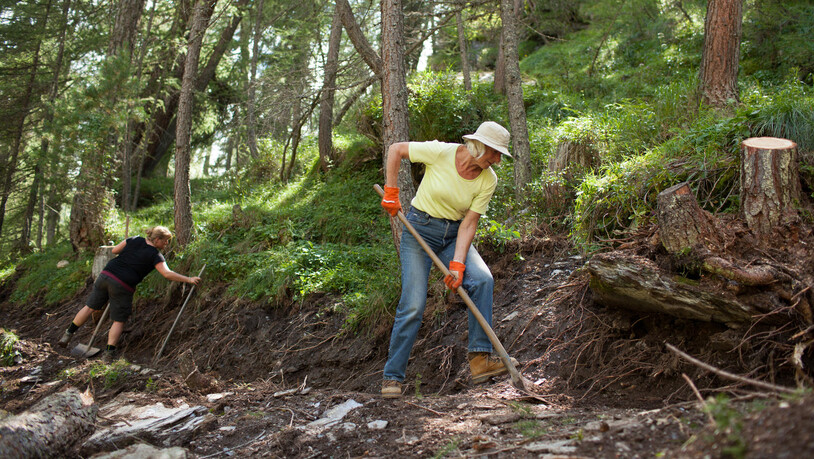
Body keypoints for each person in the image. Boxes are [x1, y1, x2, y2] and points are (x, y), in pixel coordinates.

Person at [379, 121, 518, 399]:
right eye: (494, 153)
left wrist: (457, 264)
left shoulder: (488, 179)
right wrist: (392, 191)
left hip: (454, 233)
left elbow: (469, 223)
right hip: (420, 229)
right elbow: (395, 150)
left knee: (482, 280)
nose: (498, 160)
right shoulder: (442, 153)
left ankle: (480, 360)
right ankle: (392, 378)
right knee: (414, 304)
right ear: (479, 146)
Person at [57, 226, 201, 362]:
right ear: (157, 240)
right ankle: (108, 354)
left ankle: (67, 334)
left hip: (106, 275)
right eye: (165, 240)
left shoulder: (134, 239)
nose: (167, 244)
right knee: (118, 320)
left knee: (89, 307)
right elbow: (167, 274)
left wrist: (130, 252)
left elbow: (115, 251)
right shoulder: (155, 255)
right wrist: (188, 279)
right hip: (122, 285)